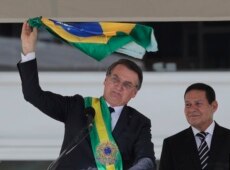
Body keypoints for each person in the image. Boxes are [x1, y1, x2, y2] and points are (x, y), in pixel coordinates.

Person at [18, 21, 156, 170]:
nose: (119, 87)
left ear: (134, 92)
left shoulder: (140, 123)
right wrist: (28, 50)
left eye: (127, 85)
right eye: (115, 79)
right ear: (106, 79)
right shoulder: (76, 107)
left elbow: (146, 160)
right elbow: (33, 94)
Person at [159, 82, 230, 170]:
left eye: (198, 104)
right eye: (188, 105)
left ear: (214, 106)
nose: (192, 109)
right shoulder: (172, 145)